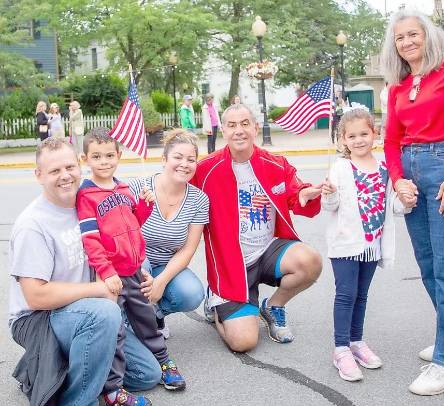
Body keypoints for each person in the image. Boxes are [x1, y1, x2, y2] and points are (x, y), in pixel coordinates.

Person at [9, 137, 160, 406]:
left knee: (147, 375)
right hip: (38, 319)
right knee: (105, 314)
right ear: (39, 176)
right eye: (54, 171)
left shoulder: (89, 203)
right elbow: (35, 296)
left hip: (85, 311)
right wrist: (99, 291)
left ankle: (47, 368)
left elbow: (122, 240)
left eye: (69, 167)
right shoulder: (33, 224)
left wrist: (141, 270)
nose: (64, 175)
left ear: (79, 165)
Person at [381, 10, 444, 396]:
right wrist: (398, 180)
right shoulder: (398, 86)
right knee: (428, 265)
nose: (407, 42)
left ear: (429, 35)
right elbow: (391, 140)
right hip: (411, 173)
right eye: (400, 38)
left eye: (413, 34)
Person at [192, 103, 323, 352]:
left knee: (311, 261)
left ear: (255, 127)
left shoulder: (276, 164)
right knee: (244, 342)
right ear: (224, 131)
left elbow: (298, 194)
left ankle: (273, 306)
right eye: (232, 125)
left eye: (244, 124)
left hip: (268, 252)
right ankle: (216, 302)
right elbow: (179, 195)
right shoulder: (205, 169)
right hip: (231, 265)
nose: (239, 131)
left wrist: (307, 194)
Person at [76, 128, 186, 406]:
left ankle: (163, 359)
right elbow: (91, 240)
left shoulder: (124, 188)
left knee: (146, 317)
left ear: (119, 156)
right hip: (111, 276)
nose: (104, 162)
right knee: (116, 331)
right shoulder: (86, 195)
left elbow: (135, 223)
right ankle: (113, 390)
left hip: (134, 268)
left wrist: (145, 206)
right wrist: (106, 270)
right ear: (85, 158)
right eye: (96, 156)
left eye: (109, 155)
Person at [322, 106, 411, 382]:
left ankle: (356, 341)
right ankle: (340, 349)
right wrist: (330, 194)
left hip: (372, 244)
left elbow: (391, 207)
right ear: (343, 140)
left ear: (375, 134)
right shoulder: (340, 167)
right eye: (352, 136)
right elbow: (330, 206)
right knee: (346, 294)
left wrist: (405, 200)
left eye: (364, 133)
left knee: (361, 295)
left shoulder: (385, 168)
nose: (359, 140)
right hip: (345, 245)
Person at [129, 129, 208, 340]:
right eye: (178, 157)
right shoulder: (138, 187)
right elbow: (121, 233)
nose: (185, 164)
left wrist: (161, 281)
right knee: (141, 268)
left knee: (192, 293)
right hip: (136, 261)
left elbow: (188, 249)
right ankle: (130, 321)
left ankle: (155, 314)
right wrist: (139, 207)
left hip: (167, 264)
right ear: (164, 160)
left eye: (191, 159)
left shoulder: (199, 200)